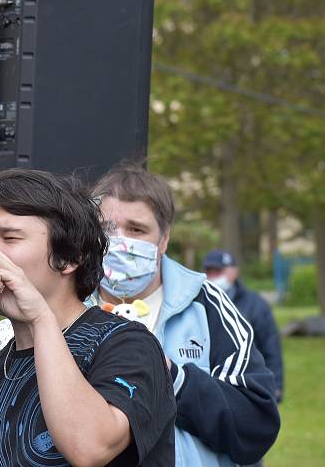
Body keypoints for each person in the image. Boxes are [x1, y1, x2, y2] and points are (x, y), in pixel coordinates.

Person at [0, 169, 176, 466]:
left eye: (9, 237)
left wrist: (40, 317)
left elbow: (90, 447)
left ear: (69, 258)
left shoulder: (127, 345)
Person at [90, 165, 280, 466]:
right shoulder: (69, 304)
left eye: (136, 229)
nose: (119, 241)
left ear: (164, 239)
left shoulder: (206, 303)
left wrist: (171, 377)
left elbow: (255, 425)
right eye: (106, 229)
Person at [203, 249, 284, 402]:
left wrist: (276, 387)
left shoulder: (256, 305)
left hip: (250, 382)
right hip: (211, 387)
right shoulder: (199, 304)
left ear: (234, 272)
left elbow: (271, 347)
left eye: (218, 271)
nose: (213, 276)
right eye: (209, 271)